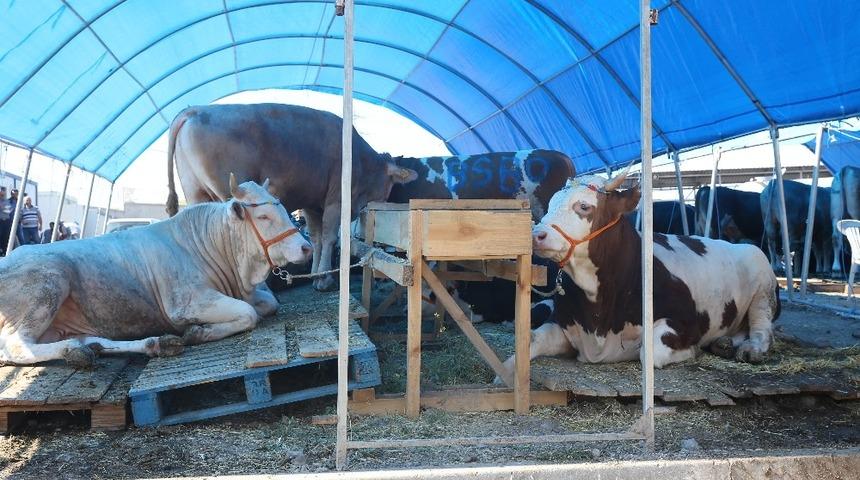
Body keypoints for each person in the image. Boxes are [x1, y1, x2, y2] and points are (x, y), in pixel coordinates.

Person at [0, 188, 10, 255]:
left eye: (2, 194)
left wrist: (1, 207)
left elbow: (8, 210)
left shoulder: (6, 201)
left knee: (5, 236)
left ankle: (4, 251)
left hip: (6, 221)